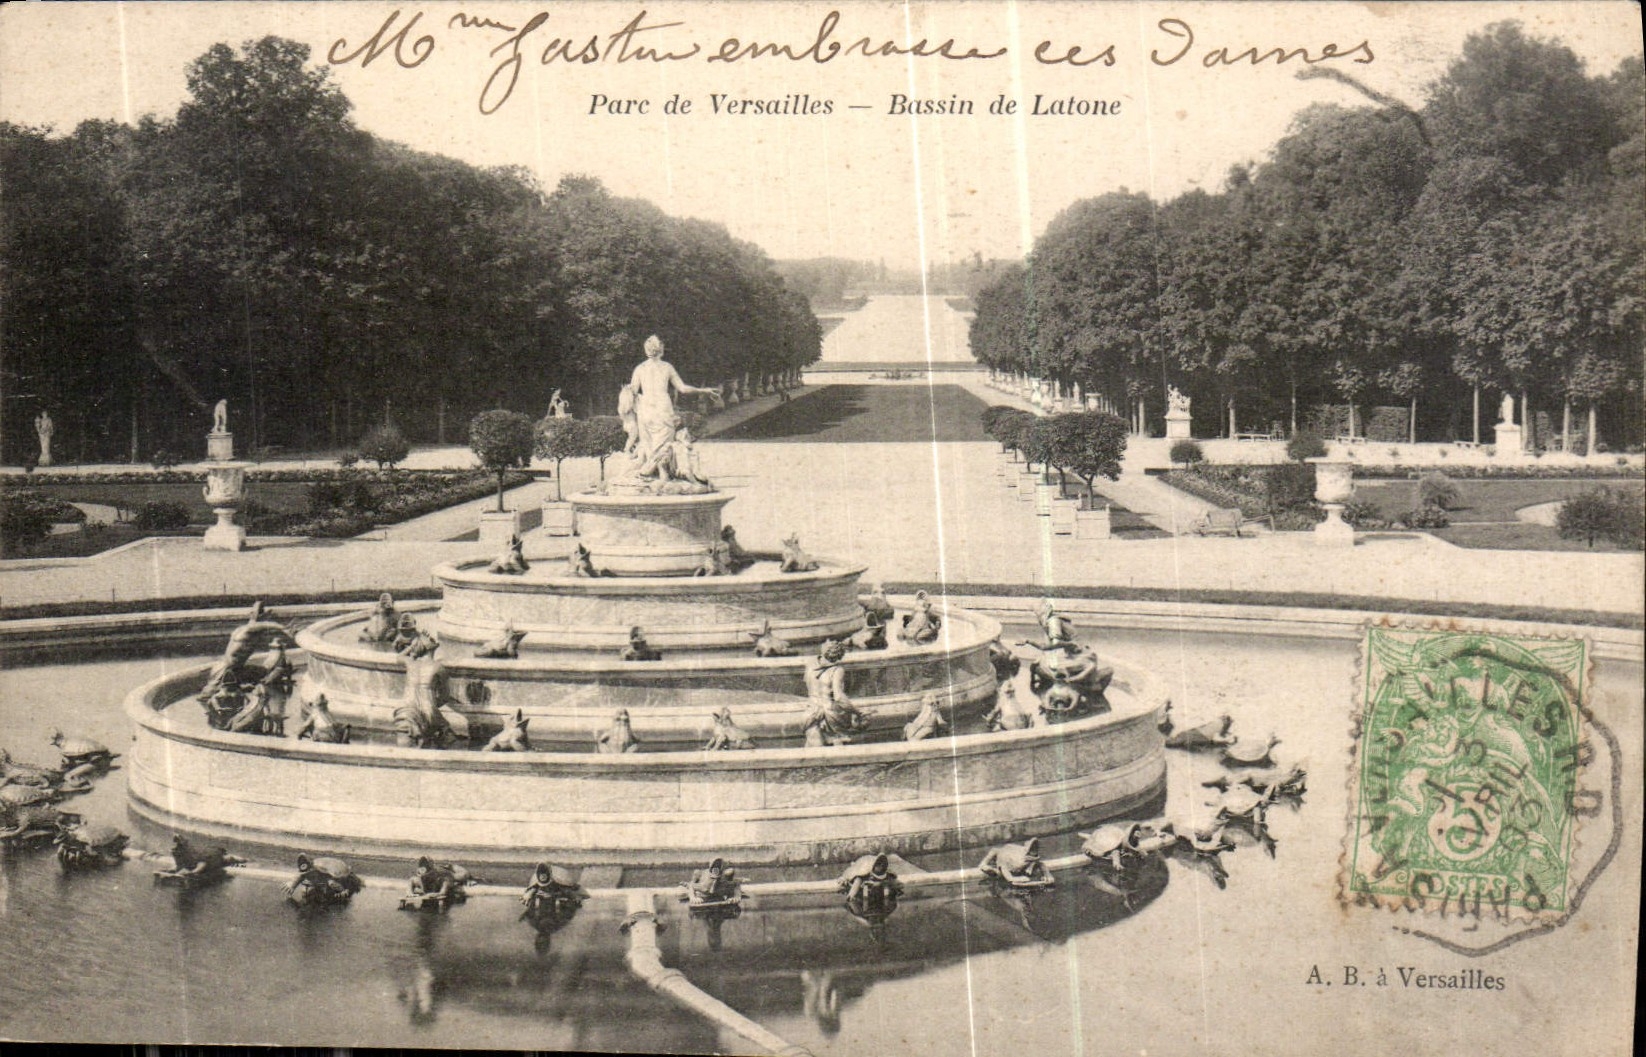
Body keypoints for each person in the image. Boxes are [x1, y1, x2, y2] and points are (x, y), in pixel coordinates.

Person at [629, 336, 722, 480]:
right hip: (662, 408)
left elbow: (632, 391)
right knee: (664, 445)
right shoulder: (666, 367)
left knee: (649, 443)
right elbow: (683, 388)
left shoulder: (640, 368)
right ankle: (653, 473)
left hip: (646, 409)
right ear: (661, 350)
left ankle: (652, 474)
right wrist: (703, 390)